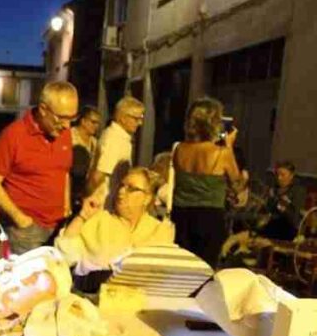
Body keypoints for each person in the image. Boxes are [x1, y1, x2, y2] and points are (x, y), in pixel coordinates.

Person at [0, 81, 79, 255]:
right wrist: (20, 219)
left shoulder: (64, 134)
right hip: (26, 232)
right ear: (43, 109)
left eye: (72, 118)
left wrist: (66, 207)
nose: (67, 125)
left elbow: (64, 172)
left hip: (59, 227)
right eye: (61, 118)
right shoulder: (13, 135)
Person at [55, 166, 175, 280]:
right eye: (121, 185)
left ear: (147, 198)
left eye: (131, 189)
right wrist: (83, 216)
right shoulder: (100, 221)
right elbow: (66, 257)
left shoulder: (159, 229)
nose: (121, 191)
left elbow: (161, 273)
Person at [172, 97, 243, 267]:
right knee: (205, 269)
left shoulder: (180, 149)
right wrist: (229, 146)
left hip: (181, 215)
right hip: (209, 216)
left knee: (182, 267)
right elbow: (237, 184)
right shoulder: (221, 153)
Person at [89, 96, 145, 210]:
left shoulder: (121, 138)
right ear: (123, 118)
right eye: (136, 118)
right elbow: (98, 176)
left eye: (141, 118)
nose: (140, 123)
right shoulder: (114, 140)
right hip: (104, 206)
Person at [258, 160, 307, 241]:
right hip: (273, 225)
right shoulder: (274, 188)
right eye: (277, 175)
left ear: (291, 176)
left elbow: (295, 218)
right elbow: (268, 210)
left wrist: (280, 204)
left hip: (289, 228)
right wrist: (269, 199)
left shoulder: (298, 190)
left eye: (283, 175)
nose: (279, 178)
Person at [70, 105, 102, 213]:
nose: (96, 126)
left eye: (98, 123)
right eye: (93, 122)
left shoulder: (95, 142)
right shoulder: (70, 137)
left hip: (85, 190)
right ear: (83, 121)